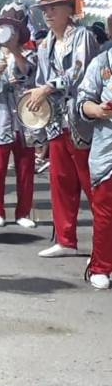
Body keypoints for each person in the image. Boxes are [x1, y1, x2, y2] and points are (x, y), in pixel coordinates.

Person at [25, 0, 98, 257]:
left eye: (54, 7)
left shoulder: (84, 37)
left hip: (82, 120)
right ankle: (66, 240)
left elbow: (79, 73)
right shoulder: (44, 45)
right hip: (57, 122)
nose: (48, 13)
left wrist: (47, 88)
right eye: (45, 8)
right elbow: (40, 80)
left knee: (94, 185)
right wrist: (37, 93)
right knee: (61, 182)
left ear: (70, 8)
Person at [0, 5, 38, 227]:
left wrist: (14, 51)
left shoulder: (29, 52)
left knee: (25, 168)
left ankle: (23, 213)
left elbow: (31, 77)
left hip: (24, 118)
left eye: (13, 27)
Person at [78, 47, 112, 289]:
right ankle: (101, 266)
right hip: (108, 151)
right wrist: (98, 110)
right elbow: (84, 101)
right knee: (105, 213)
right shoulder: (102, 63)